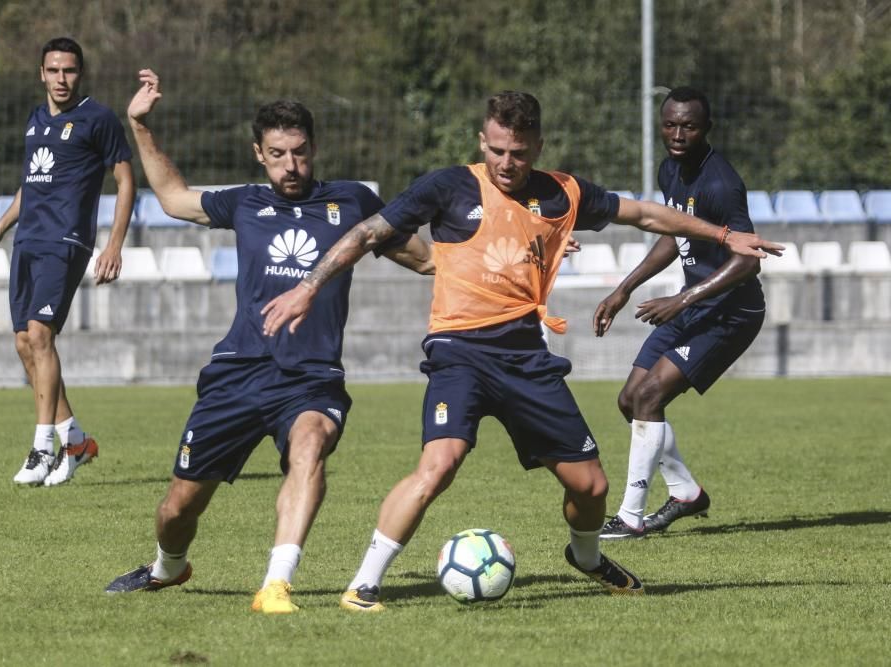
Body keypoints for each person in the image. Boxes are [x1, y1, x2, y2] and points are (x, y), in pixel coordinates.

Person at [261, 91, 782, 611]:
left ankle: (585, 557)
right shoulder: (448, 186)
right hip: (458, 352)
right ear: (481, 142)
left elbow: (645, 215)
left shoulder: (563, 193)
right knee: (439, 463)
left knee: (591, 486)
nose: (506, 164)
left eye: (518, 153)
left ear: (537, 146)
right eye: (496, 151)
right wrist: (310, 285)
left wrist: (724, 234)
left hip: (527, 360)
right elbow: (369, 232)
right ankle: (364, 583)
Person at [104, 70, 432, 613]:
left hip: (312, 377)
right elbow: (172, 197)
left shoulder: (352, 203)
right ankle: (168, 566)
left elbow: (426, 260)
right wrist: (139, 125)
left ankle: (276, 585)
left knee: (309, 447)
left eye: (299, 153)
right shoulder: (244, 204)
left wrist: (512, 253)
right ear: (259, 153)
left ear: (314, 149)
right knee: (176, 509)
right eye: (278, 154)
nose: (290, 165)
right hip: (238, 372)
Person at [594, 86, 765, 539]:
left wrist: (681, 300)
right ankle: (686, 493)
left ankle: (630, 518)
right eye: (670, 124)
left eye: (688, 126)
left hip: (731, 312)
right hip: (694, 306)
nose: (677, 133)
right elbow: (675, 235)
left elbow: (747, 258)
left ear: (706, 128)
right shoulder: (670, 169)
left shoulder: (721, 183)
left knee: (650, 398)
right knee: (630, 400)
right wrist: (624, 289)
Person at [0, 37, 135, 487]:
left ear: (79, 74)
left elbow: (125, 182)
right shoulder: (35, 120)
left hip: (66, 241)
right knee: (24, 343)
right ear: (41, 73)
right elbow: (31, 183)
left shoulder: (98, 119)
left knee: (41, 335)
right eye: (54, 70)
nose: (61, 79)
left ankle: (43, 447)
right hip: (27, 240)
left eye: (69, 71)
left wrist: (114, 245)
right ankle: (76, 441)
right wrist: (0, 227)